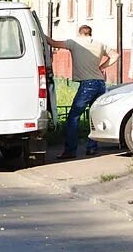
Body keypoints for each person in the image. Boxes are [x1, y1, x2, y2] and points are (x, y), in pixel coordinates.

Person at [47, 24, 118, 159]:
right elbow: (115, 55)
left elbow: (53, 42)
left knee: (73, 117)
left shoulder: (74, 42)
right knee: (94, 116)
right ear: (90, 33)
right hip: (100, 83)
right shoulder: (99, 43)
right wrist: (101, 67)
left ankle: (70, 150)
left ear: (80, 33)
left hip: (87, 84)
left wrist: (39, 33)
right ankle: (92, 148)